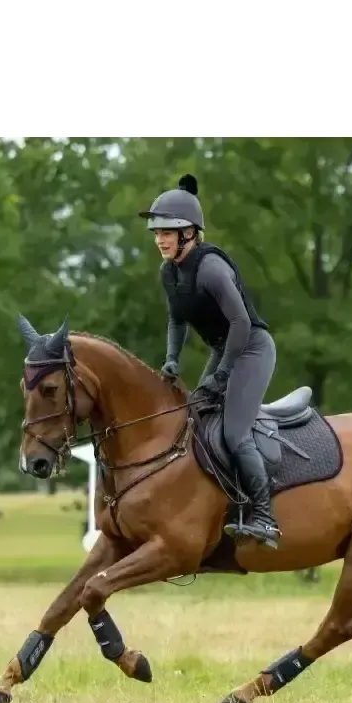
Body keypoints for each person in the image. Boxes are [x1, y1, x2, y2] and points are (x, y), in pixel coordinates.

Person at [138, 174, 282, 548]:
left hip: (251, 347)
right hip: (224, 347)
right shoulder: (168, 272)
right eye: (156, 232)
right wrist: (171, 359)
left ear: (190, 233)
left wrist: (222, 374)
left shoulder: (210, 268)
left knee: (234, 432)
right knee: (193, 421)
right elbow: (176, 319)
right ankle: (218, 505)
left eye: (168, 231)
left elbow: (241, 323)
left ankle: (265, 517)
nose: (160, 239)